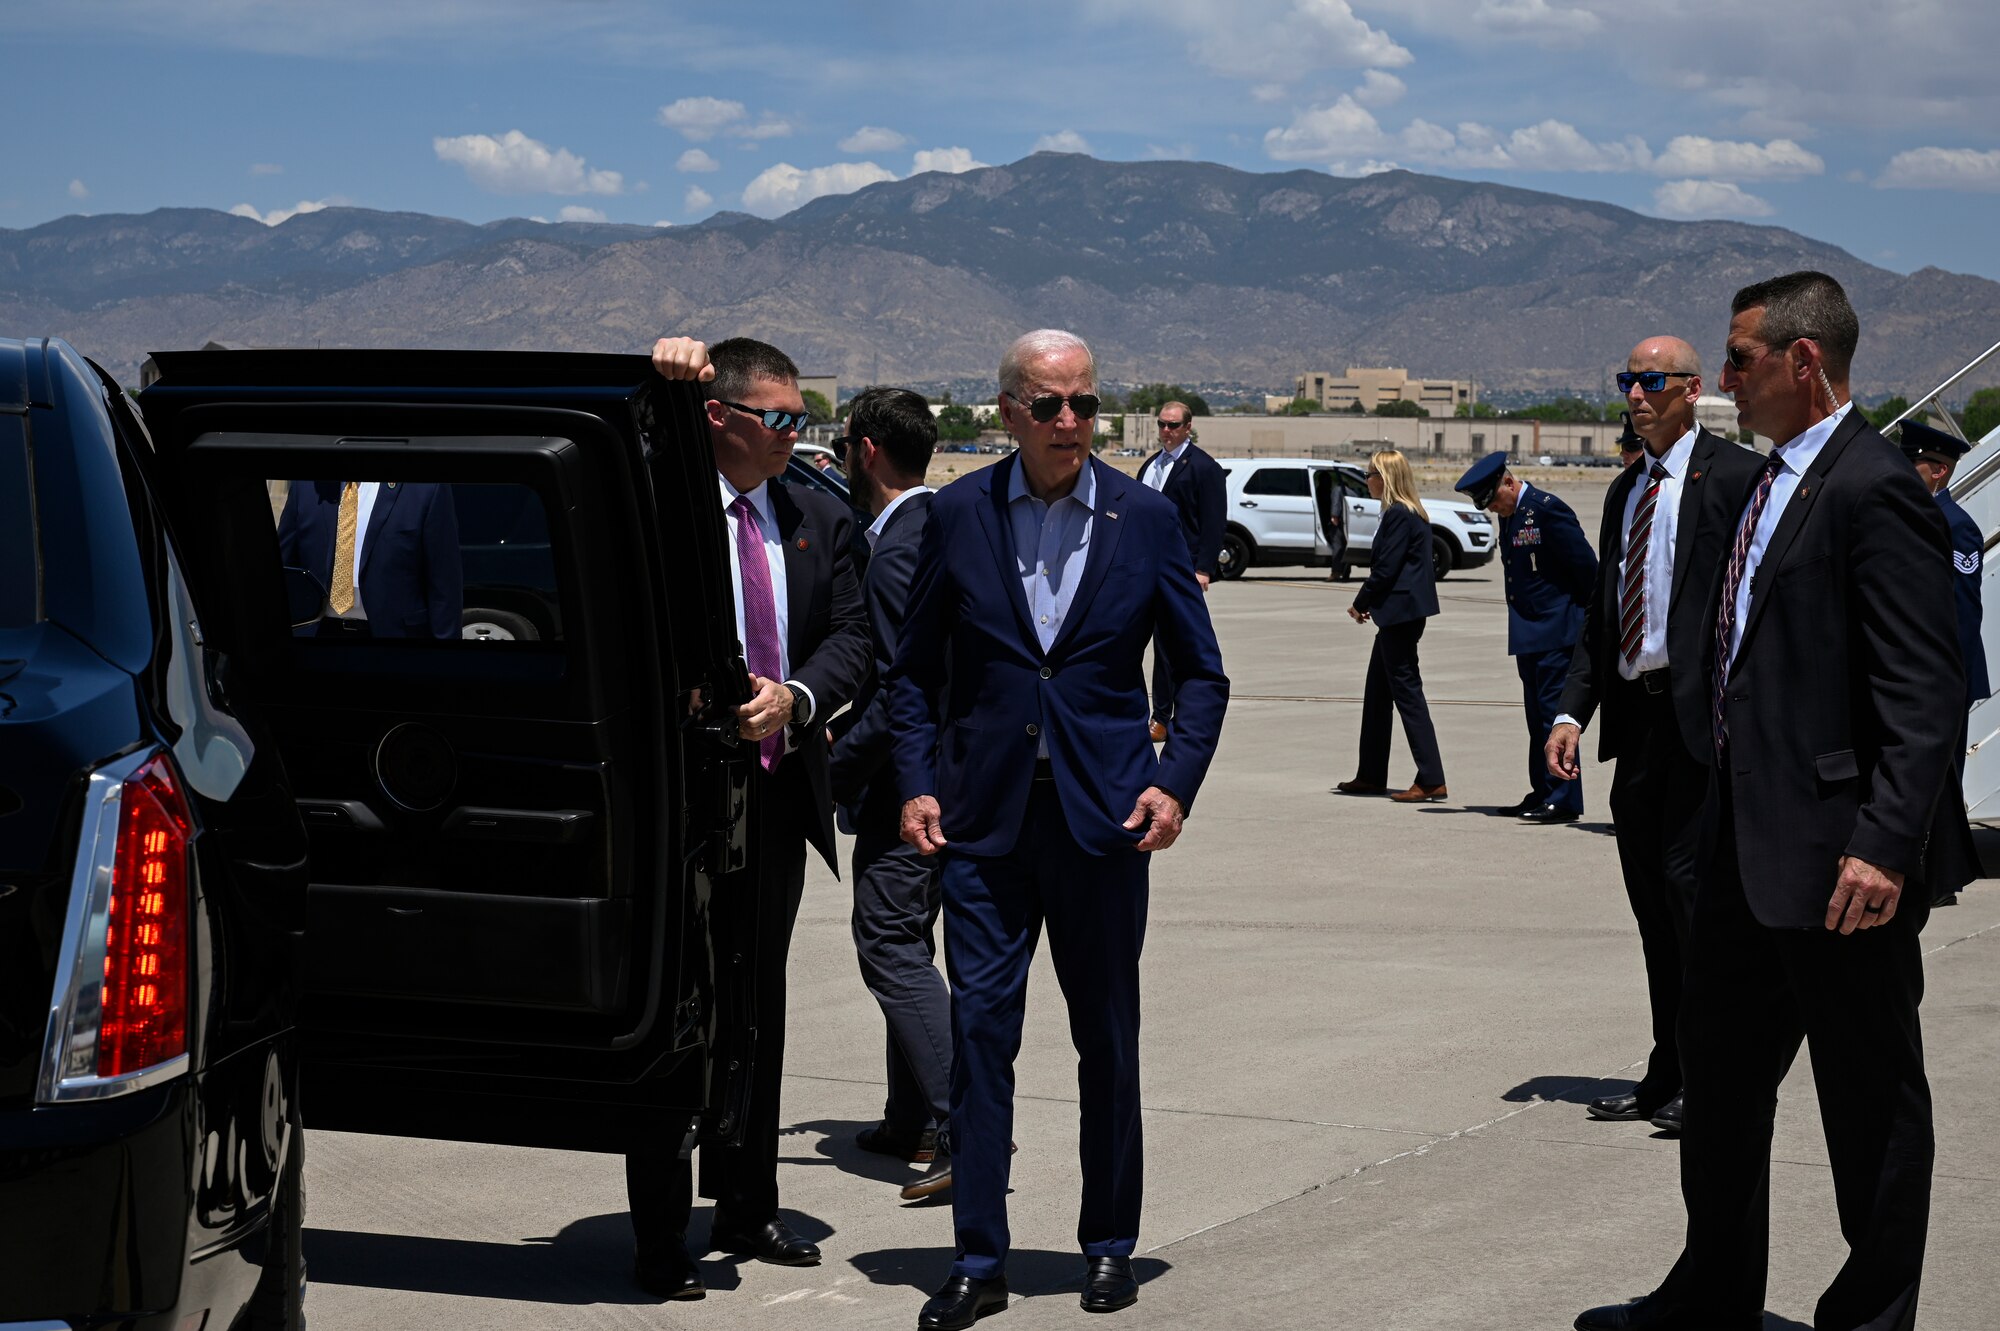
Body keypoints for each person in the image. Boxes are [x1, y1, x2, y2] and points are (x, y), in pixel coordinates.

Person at [1576, 271, 1976, 1331]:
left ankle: (1867, 1316)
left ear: (1802, 363)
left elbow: (1922, 687)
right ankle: (1709, 1294)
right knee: (1716, 1088)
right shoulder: (1770, 479)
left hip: (1841, 867)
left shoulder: (1870, 485)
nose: (1727, 378)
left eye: (1741, 357)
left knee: (1869, 1107)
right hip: (1739, 852)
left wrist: (1885, 844)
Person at [887, 329, 1228, 1329]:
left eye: (1085, 403)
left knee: (1104, 1037)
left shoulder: (1147, 516)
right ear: (1007, 413)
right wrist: (914, 780)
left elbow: (1198, 671)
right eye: (1049, 406)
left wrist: (1174, 783)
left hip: (1103, 821)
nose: (1070, 422)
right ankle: (978, 1256)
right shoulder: (957, 513)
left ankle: (1108, 1242)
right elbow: (911, 670)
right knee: (982, 1035)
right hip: (984, 824)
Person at [628, 335, 872, 1300]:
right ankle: (658, 1232)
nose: (795, 435)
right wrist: (660, 376)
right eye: (778, 419)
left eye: (802, 418)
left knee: (757, 999)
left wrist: (801, 697)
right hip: (677, 797)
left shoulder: (818, 511)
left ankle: (748, 1200)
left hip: (772, 790)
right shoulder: (659, 506)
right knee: (674, 1009)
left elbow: (855, 637)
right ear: (718, 416)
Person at [1545, 338, 1764, 1136]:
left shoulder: (1737, 479)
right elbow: (1603, 617)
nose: (1635, 395)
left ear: (1692, 389)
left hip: (1704, 730)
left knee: (1692, 901)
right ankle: (1665, 1069)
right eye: (1625, 381)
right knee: (1650, 905)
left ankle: (1710, 1077)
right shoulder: (1625, 492)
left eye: (1650, 381)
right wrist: (1572, 712)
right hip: (1638, 726)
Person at [825, 387, 953, 1198]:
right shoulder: (942, 523)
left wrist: (831, 759)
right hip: (945, 778)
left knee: (890, 940)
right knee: (907, 936)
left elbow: (906, 684)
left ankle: (967, 1120)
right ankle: (909, 1116)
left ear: (865, 450)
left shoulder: (899, 544)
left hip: (914, 784)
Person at [1453, 453, 1596, 822]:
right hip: (1529, 634)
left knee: (1554, 718)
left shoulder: (1546, 509)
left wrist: (1583, 623)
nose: (1494, 509)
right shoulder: (1511, 515)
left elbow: (1586, 570)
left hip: (1556, 632)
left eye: (1494, 500)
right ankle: (1543, 790)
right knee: (1537, 720)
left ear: (1508, 482)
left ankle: (1564, 798)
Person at [1898, 416, 1988, 907]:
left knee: (1942, 781)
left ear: (1938, 471)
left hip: (1945, 678)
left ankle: (1939, 878)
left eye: (1912, 464)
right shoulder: (1916, 517)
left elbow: (1960, 611)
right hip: (1925, 676)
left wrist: (1939, 677)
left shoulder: (1956, 527)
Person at [1335, 449, 1446, 802]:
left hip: (1400, 616)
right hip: (1399, 615)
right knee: (1377, 695)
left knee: (1408, 695)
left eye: (1371, 473)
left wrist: (1360, 603)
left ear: (1386, 478)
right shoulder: (1406, 513)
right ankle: (1370, 774)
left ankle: (1431, 777)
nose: (1367, 479)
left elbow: (1386, 569)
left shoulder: (1400, 515)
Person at [275, 479, 463, 638]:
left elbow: (444, 586)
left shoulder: (424, 489)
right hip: (318, 633)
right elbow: (284, 567)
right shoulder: (307, 487)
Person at [1140, 401, 1226, 740]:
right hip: (1146, 569)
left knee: (1176, 647)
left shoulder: (1204, 467)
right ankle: (1154, 713)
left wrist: (1204, 568)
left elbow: (1214, 522)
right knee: (1144, 642)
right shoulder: (1151, 466)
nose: (1166, 431)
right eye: (1161, 424)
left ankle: (1166, 716)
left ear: (1188, 427)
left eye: (1173, 425)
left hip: (1183, 570)